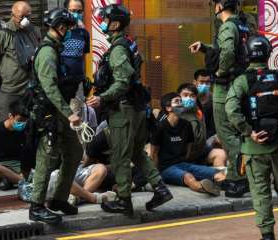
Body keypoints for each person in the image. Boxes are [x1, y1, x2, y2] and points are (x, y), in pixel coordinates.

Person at [86, 4, 172, 216]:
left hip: (124, 110)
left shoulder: (118, 49)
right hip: (135, 108)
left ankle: (124, 201)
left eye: (105, 19)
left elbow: (123, 82)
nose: (103, 22)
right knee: (135, 152)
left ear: (115, 24)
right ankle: (160, 188)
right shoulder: (127, 44)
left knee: (121, 157)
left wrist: (102, 97)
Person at [226, 35, 278, 240]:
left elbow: (231, 110)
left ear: (247, 55)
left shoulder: (242, 81)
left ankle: (268, 236)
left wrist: (248, 131)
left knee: (260, 193)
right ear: (269, 54)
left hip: (253, 148)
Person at [189, 0, 250, 198]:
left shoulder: (227, 26)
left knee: (225, 134)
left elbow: (228, 53)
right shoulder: (242, 24)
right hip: (239, 83)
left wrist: (219, 71)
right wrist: (205, 48)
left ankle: (243, 177)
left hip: (226, 86)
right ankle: (234, 176)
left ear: (220, 6)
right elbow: (232, 50)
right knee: (236, 131)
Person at [28, 8, 83, 224]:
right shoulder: (48, 52)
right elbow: (49, 87)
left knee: (75, 151)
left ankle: (59, 199)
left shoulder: (55, 49)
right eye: (68, 28)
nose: (70, 32)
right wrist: (69, 113)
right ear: (60, 28)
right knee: (46, 158)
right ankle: (36, 206)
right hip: (49, 113)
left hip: (58, 112)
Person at [151, 93, 225, 196]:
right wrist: (156, 178)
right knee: (188, 177)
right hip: (166, 168)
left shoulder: (186, 125)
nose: (181, 104)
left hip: (184, 164)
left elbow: (188, 148)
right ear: (168, 108)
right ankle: (203, 187)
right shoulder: (159, 128)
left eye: (181, 101)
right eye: (177, 102)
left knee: (217, 173)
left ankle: (227, 185)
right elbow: (154, 153)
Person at [0, 1, 40, 121]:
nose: (25, 20)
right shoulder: (3, 33)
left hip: (29, 91)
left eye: (28, 16)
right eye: (22, 17)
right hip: (9, 91)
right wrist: (1, 78)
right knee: (7, 128)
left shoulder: (34, 31)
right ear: (12, 15)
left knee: (29, 130)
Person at [177, 83, 227, 169]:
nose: (189, 98)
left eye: (192, 96)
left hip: (199, 152)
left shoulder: (198, 112)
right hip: (180, 158)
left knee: (221, 154)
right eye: (185, 95)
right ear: (178, 96)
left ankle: (220, 180)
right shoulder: (172, 114)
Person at [0, 100, 29, 191]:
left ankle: (7, 180)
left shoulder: (25, 130)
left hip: (18, 165)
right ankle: (24, 183)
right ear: (10, 116)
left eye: (24, 121)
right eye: (19, 120)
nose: (22, 123)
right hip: (0, 165)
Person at [62, 0, 90, 94]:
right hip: (61, 80)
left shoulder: (84, 32)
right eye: (73, 11)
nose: (76, 14)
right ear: (66, 11)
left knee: (77, 108)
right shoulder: (59, 31)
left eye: (79, 11)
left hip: (77, 82)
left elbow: (84, 57)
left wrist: (84, 77)